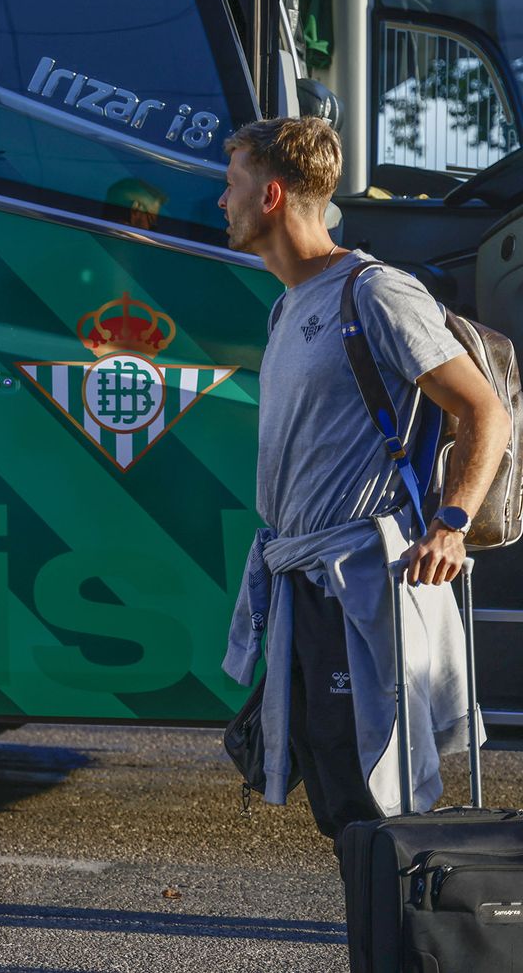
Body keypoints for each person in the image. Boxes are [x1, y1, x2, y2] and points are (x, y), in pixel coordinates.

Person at [218, 117, 508, 858]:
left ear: (273, 195)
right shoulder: (288, 303)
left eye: (234, 184)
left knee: (379, 803)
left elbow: (484, 410)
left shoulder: (375, 293)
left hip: (363, 589)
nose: (223, 201)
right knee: (338, 798)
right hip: (306, 587)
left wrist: (450, 522)